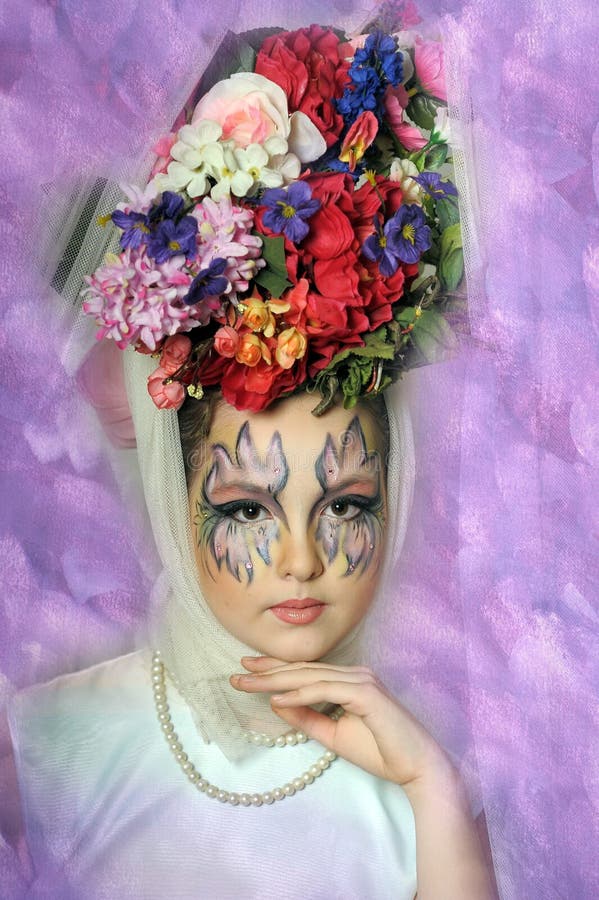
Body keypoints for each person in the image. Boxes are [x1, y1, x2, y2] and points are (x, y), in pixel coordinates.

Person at [3, 10, 498, 899]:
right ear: (170, 486)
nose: (300, 560)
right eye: (243, 509)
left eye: (346, 502)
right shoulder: (44, 745)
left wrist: (433, 792)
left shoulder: (433, 792)